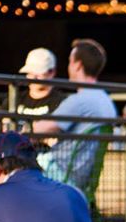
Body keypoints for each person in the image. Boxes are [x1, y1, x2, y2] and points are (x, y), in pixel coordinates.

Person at [34, 38, 117, 192]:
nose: (69, 66)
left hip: (61, 173)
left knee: (17, 172)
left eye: (70, 62)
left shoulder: (79, 100)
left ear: (77, 65)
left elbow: (37, 130)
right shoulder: (106, 100)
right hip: (83, 177)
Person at [15, 48, 67, 121]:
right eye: (29, 72)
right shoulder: (16, 99)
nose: (33, 77)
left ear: (52, 72)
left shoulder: (61, 103)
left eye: (38, 73)